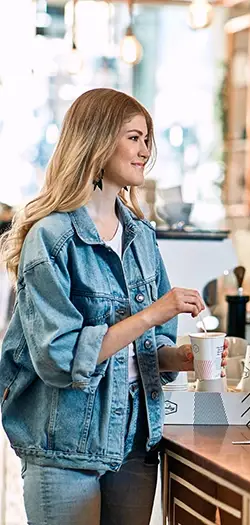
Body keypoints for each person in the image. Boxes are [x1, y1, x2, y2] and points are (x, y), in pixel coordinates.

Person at [0, 88, 227, 524]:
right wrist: (153, 313)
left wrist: (179, 357)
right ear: (98, 141)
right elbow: (58, 357)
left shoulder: (141, 236)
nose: (145, 151)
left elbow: (147, 351)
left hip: (134, 441)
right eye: (134, 138)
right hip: (65, 446)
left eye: (147, 140)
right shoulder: (50, 239)